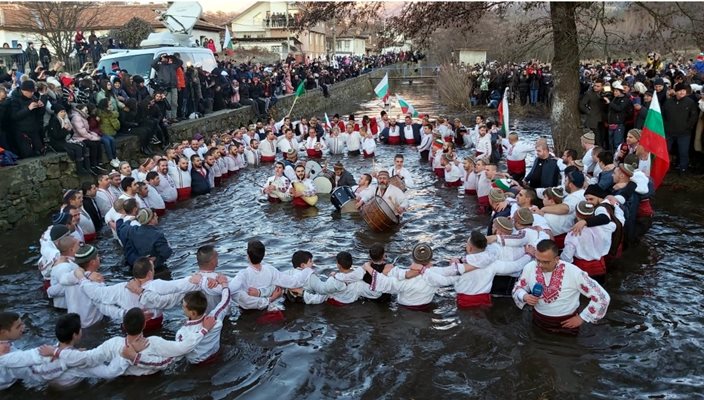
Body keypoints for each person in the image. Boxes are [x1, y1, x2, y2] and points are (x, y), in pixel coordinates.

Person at [512, 239, 610, 334]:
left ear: (556, 259)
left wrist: (583, 317)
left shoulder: (574, 273)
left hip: (567, 324)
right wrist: (524, 296)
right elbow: (518, 288)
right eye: (538, 260)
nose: (540, 265)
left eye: (546, 262)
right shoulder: (530, 267)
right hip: (538, 320)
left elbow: (602, 297)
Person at [560, 201, 614, 282]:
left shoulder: (574, 233)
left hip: (582, 269)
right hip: (600, 267)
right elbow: (613, 226)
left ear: (577, 214)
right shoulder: (603, 228)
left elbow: (567, 256)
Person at [662, 83, 698, 173]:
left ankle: (683, 168)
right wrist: (666, 126)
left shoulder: (690, 102)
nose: (682, 92)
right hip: (669, 132)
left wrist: (688, 127)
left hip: (684, 133)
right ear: (676, 91)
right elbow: (663, 115)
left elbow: (693, 116)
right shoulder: (668, 102)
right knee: (665, 151)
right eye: (680, 90)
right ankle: (664, 168)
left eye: (684, 90)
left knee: (683, 152)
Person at [9, 79, 45, 158]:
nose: (32, 93)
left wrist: (41, 106)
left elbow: (40, 114)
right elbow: (14, 116)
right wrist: (28, 108)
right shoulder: (14, 99)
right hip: (21, 130)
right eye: (30, 92)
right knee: (27, 154)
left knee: (40, 151)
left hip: (33, 128)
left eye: (33, 91)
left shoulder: (33, 97)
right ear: (24, 91)